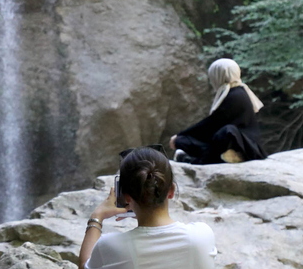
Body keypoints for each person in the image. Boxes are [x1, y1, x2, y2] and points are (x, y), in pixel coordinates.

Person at [78, 147, 217, 269]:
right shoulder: (202, 235)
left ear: (126, 197)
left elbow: (84, 266)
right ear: (171, 191)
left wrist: (97, 216)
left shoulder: (111, 246)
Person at [169, 58, 267, 164]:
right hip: (229, 144)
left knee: (226, 132)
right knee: (183, 141)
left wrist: (180, 135)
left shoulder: (235, 95)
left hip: (245, 148)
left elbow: (212, 124)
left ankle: (200, 161)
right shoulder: (236, 92)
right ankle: (218, 157)